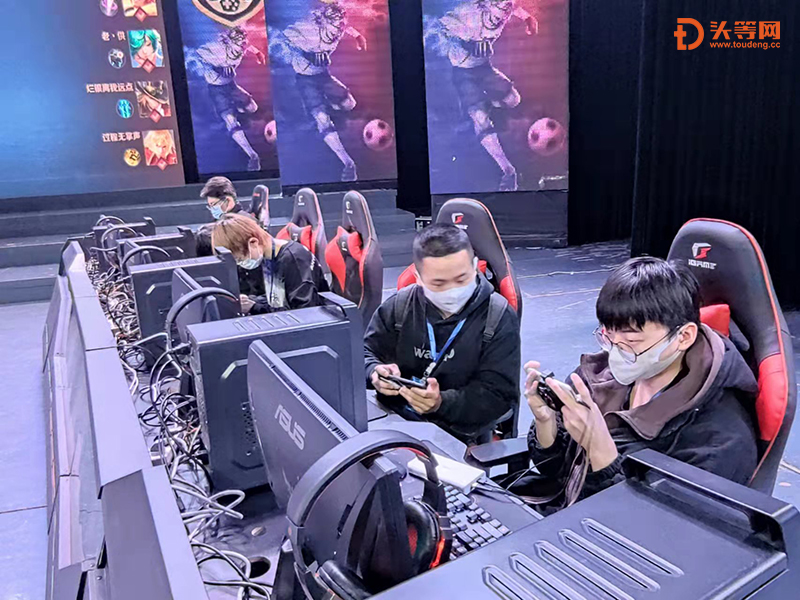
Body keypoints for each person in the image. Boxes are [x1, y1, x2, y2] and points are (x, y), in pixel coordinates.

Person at [524, 257, 758, 503]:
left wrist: (601, 453)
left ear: (684, 337)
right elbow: (554, 471)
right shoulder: (599, 377)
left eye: (632, 341)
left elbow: (662, 522)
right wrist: (546, 423)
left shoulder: (719, 439)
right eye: (607, 335)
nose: (616, 352)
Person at [364, 224, 520, 442]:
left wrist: (441, 403)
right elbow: (365, 354)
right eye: (438, 283)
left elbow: (499, 396)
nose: (452, 291)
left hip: (460, 433)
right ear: (418, 277)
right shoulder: (399, 307)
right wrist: (374, 372)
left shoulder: (497, 317)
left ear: (475, 266)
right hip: (396, 421)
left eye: (461, 279)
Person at [428, 0, 538, 192]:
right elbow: (437, 29)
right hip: (463, 74)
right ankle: (508, 170)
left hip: (485, 69)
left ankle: (484, 104)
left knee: (513, 100)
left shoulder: (505, 10)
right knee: (480, 119)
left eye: (505, 11)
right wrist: (464, 44)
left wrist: (528, 19)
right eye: (498, 10)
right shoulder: (467, 13)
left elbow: (515, 9)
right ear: (486, 5)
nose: (500, 17)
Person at [280, 0, 367, 182]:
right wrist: (302, 55)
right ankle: (348, 163)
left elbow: (345, 27)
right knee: (322, 120)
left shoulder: (337, 28)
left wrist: (358, 35)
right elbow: (282, 38)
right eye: (334, 26)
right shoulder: (306, 30)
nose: (337, 31)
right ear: (323, 22)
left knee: (349, 103)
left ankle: (325, 110)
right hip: (306, 80)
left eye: (339, 26)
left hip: (324, 76)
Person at [212, 213, 328, 315]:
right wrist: (252, 301)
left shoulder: (293, 259)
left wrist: (255, 307)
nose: (240, 264)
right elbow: (278, 297)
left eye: (240, 259)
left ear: (253, 243)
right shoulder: (268, 256)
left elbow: (304, 312)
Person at [187, 27, 265, 171]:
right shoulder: (216, 50)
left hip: (231, 86)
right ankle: (252, 155)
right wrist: (210, 69)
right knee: (231, 121)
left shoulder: (241, 48)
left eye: (243, 41)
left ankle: (236, 108)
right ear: (229, 42)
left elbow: (247, 46)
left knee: (253, 108)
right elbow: (193, 56)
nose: (242, 45)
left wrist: (257, 53)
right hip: (217, 90)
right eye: (238, 42)